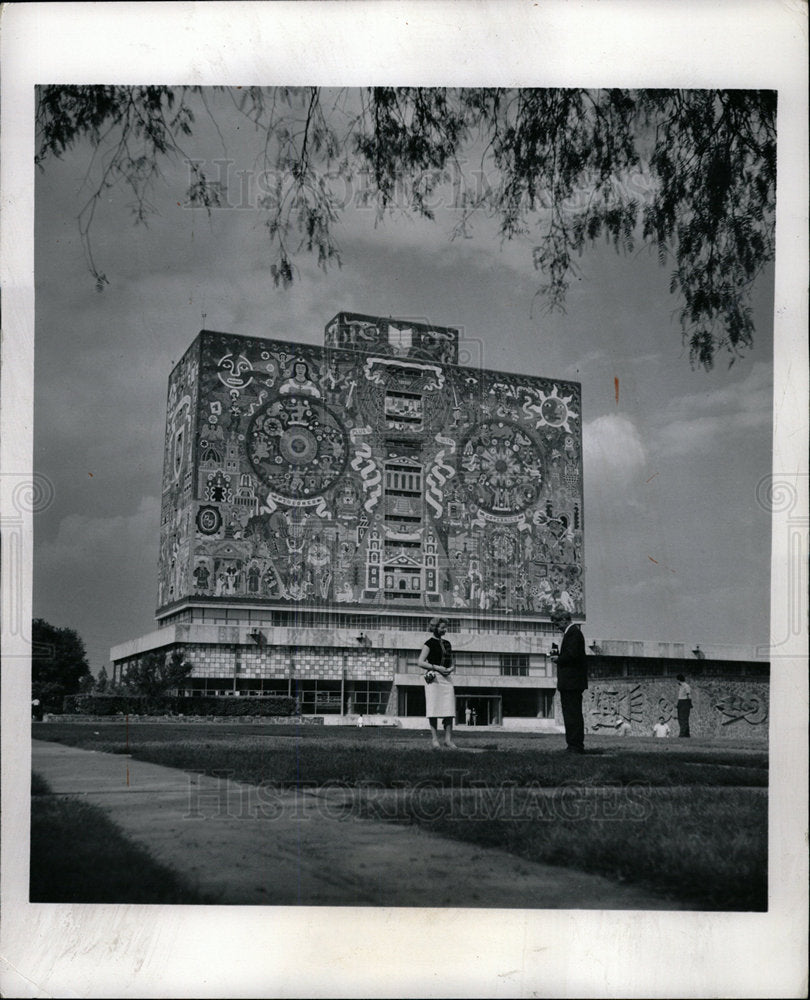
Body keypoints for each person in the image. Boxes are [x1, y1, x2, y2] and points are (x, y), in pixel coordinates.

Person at [550, 609, 588, 753]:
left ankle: (575, 746)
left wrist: (558, 659)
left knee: (572, 714)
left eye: (557, 623)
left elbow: (572, 656)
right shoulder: (573, 633)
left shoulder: (573, 634)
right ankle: (574, 745)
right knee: (572, 714)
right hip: (572, 682)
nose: (556, 627)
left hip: (571, 682)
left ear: (564, 620)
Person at [417, 617, 457, 749]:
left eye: (446, 627)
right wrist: (436, 667)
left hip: (446, 679)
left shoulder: (447, 644)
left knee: (449, 709)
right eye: (442, 628)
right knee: (433, 709)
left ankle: (448, 740)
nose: (445, 630)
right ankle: (435, 739)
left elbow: (451, 660)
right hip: (433, 678)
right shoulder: (429, 643)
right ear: (435, 628)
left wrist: (451, 668)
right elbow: (420, 662)